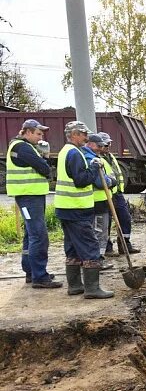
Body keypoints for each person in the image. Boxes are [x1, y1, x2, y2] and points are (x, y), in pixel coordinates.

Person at [55, 121, 114, 299]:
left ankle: (75, 286)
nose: (86, 138)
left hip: (66, 208)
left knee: (72, 247)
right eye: (83, 134)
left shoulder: (65, 151)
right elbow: (81, 180)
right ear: (74, 134)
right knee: (90, 246)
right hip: (76, 208)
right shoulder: (74, 153)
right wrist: (94, 168)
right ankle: (92, 289)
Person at [5, 119, 61, 288]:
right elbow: (44, 169)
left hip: (30, 196)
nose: (41, 137)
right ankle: (40, 277)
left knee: (31, 235)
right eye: (38, 134)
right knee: (39, 236)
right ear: (27, 132)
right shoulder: (22, 147)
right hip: (29, 197)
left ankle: (31, 272)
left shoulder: (22, 146)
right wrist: (44, 158)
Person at [98, 132, 140, 256]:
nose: (108, 146)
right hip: (106, 194)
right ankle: (107, 248)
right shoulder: (98, 159)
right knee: (107, 222)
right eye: (105, 144)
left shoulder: (111, 157)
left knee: (125, 217)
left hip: (117, 193)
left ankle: (125, 244)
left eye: (109, 144)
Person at [83, 134, 115, 270]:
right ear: (90, 144)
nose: (101, 148)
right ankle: (98, 260)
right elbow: (100, 182)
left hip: (100, 201)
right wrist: (111, 181)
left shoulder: (96, 157)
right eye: (99, 146)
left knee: (99, 232)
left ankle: (97, 258)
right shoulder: (91, 159)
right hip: (98, 202)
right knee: (99, 232)